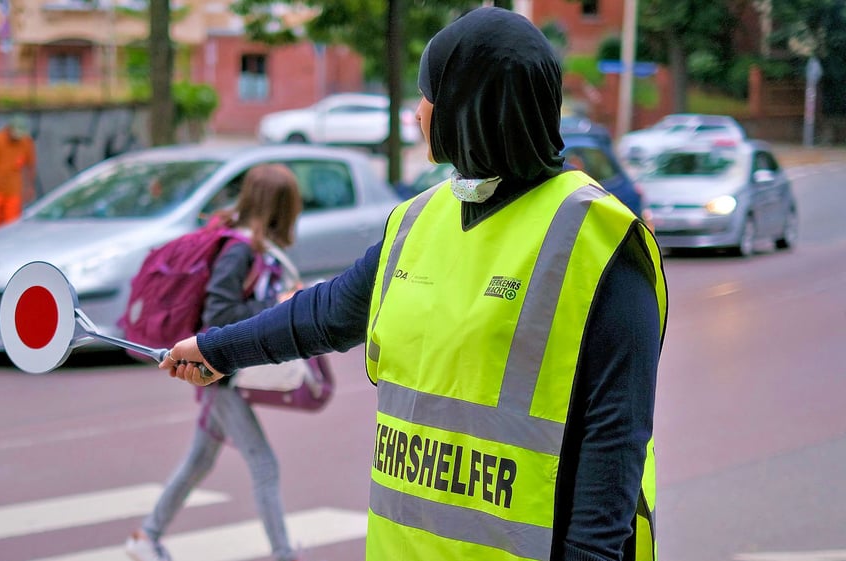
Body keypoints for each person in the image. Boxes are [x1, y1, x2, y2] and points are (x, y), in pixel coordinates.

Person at [164, 7, 668, 561]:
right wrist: (217, 348)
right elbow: (328, 313)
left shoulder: (599, 241)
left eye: (430, 95)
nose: (417, 113)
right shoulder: (420, 219)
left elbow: (614, 444)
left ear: (469, 107)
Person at [125, 163, 305, 561]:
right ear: (279, 209)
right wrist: (275, 304)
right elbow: (219, 315)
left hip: (221, 376)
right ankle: (283, 555)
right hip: (220, 377)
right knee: (265, 465)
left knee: (200, 459)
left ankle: (147, 536)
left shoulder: (249, 248)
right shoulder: (239, 250)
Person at [0, 114, 37, 229]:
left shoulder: (26, 142)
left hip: (13, 191)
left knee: (11, 225)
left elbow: (30, 165)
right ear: (8, 129)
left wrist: (30, 186)